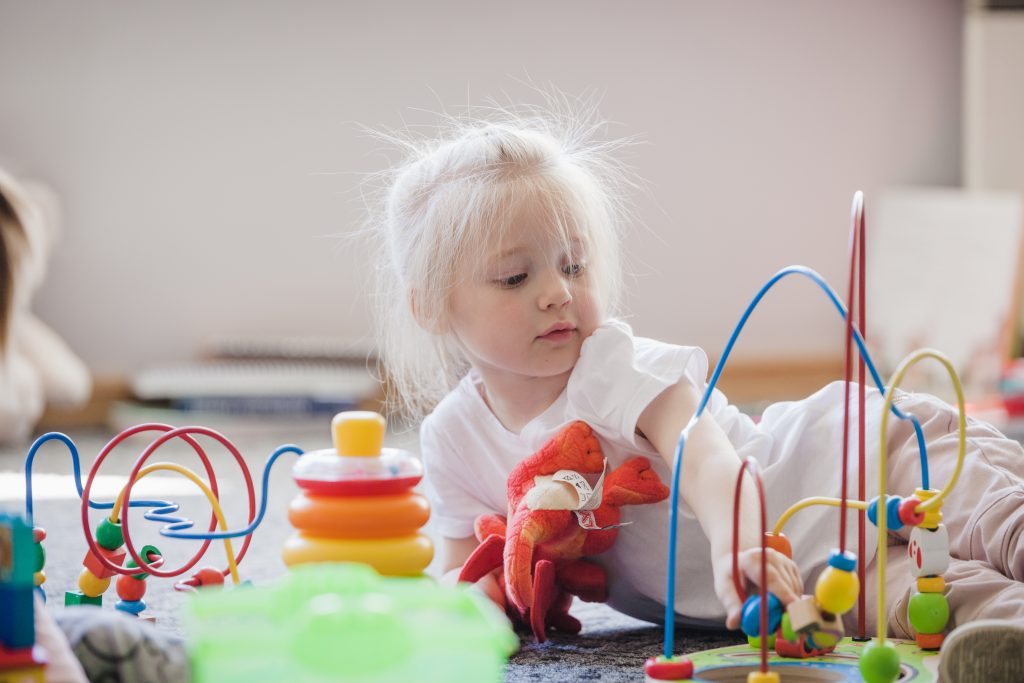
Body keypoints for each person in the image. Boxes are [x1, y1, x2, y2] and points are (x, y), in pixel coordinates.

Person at [368, 103, 1024, 681]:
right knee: (936, 606)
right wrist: (476, 606)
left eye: (574, 264)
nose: (558, 291)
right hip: (813, 580)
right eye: (515, 276)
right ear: (430, 306)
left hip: (861, 456)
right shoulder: (452, 438)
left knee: (998, 523)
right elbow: (462, 571)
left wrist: (739, 543)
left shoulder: (610, 365)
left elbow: (711, 459)